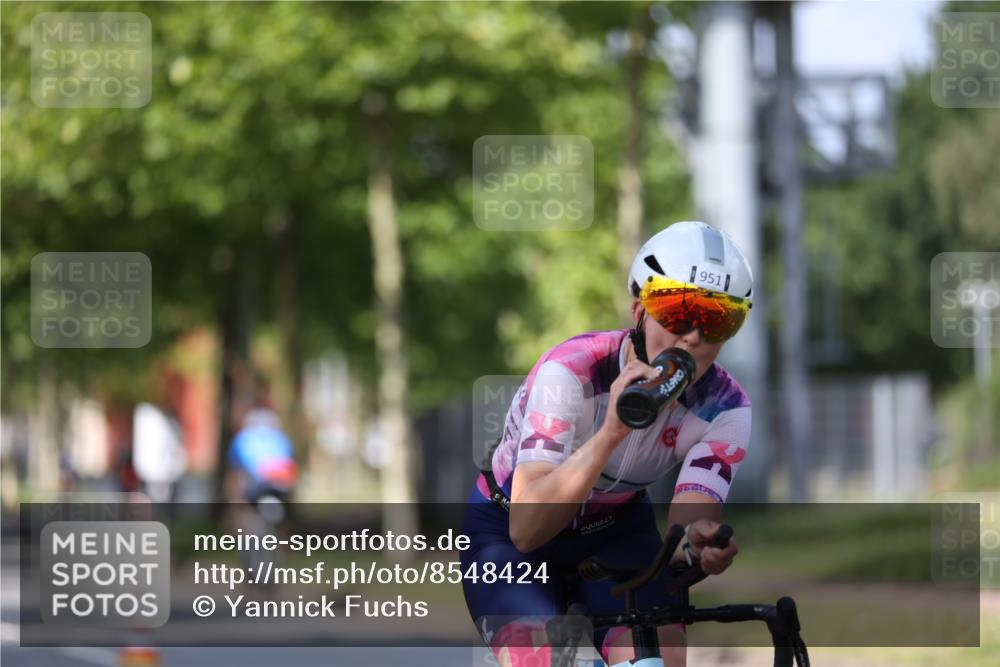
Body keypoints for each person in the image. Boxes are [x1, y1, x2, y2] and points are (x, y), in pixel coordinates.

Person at [461, 221, 752, 667]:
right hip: (508, 531)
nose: (693, 337)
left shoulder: (725, 408)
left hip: (616, 531)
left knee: (659, 661)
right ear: (639, 310)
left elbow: (684, 535)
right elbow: (526, 529)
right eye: (678, 314)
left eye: (716, 320)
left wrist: (699, 544)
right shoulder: (571, 372)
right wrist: (613, 431)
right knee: (553, 661)